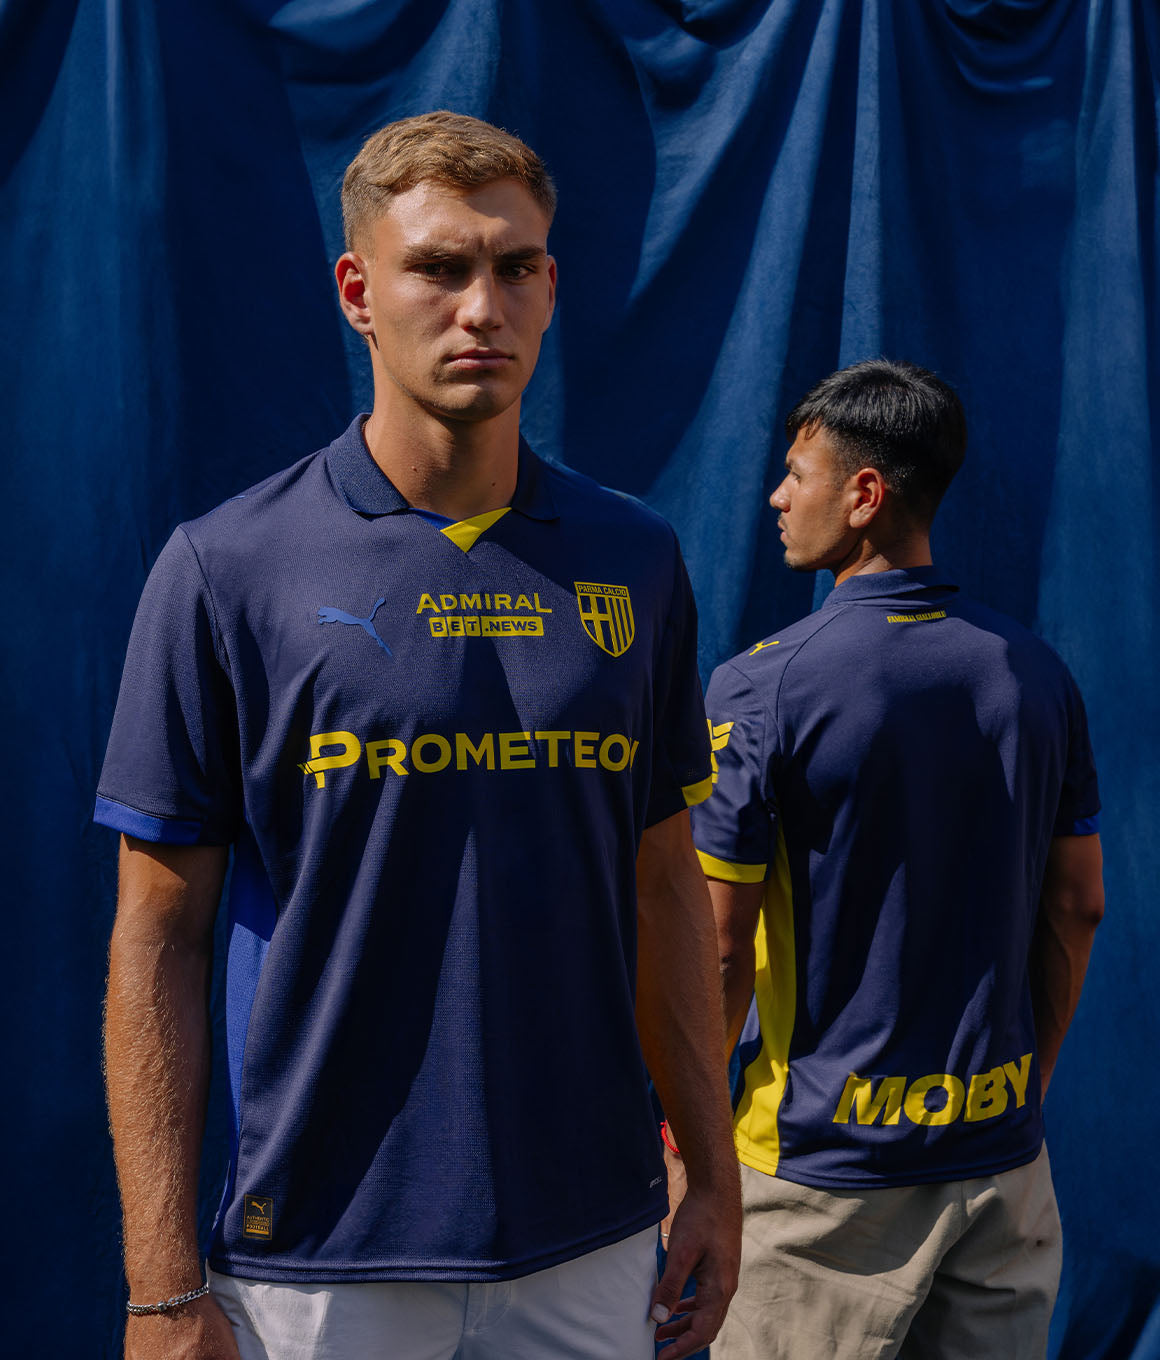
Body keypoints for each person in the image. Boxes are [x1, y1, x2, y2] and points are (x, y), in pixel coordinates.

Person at [98, 110, 740, 1360]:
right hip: (317, 1262)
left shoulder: (636, 560)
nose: (479, 306)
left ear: (551, 288)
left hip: (594, 1244)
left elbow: (664, 880)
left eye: (513, 267)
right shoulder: (227, 568)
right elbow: (155, 940)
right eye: (438, 267)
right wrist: (163, 1283)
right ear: (358, 291)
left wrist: (708, 1175)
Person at [689, 359, 1104, 1360]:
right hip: (1001, 1166)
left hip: (818, 1184)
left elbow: (715, 950)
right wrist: (1019, 1091)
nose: (777, 496)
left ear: (864, 494)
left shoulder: (761, 688)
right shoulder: (1035, 675)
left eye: (797, 472)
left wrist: (686, 1154)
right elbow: (1078, 905)